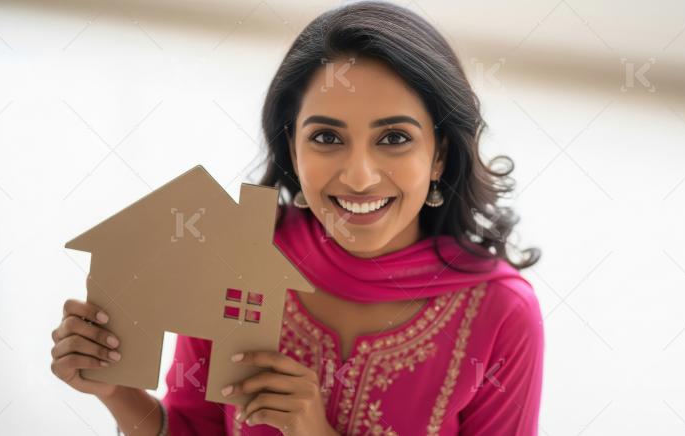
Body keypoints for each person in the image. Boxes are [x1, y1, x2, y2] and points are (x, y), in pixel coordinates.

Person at [50, 1, 544, 435]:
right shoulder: (240, 255)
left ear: (439, 155)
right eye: (327, 137)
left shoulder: (499, 313)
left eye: (394, 138)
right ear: (291, 148)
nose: (359, 176)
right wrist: (117, 392)